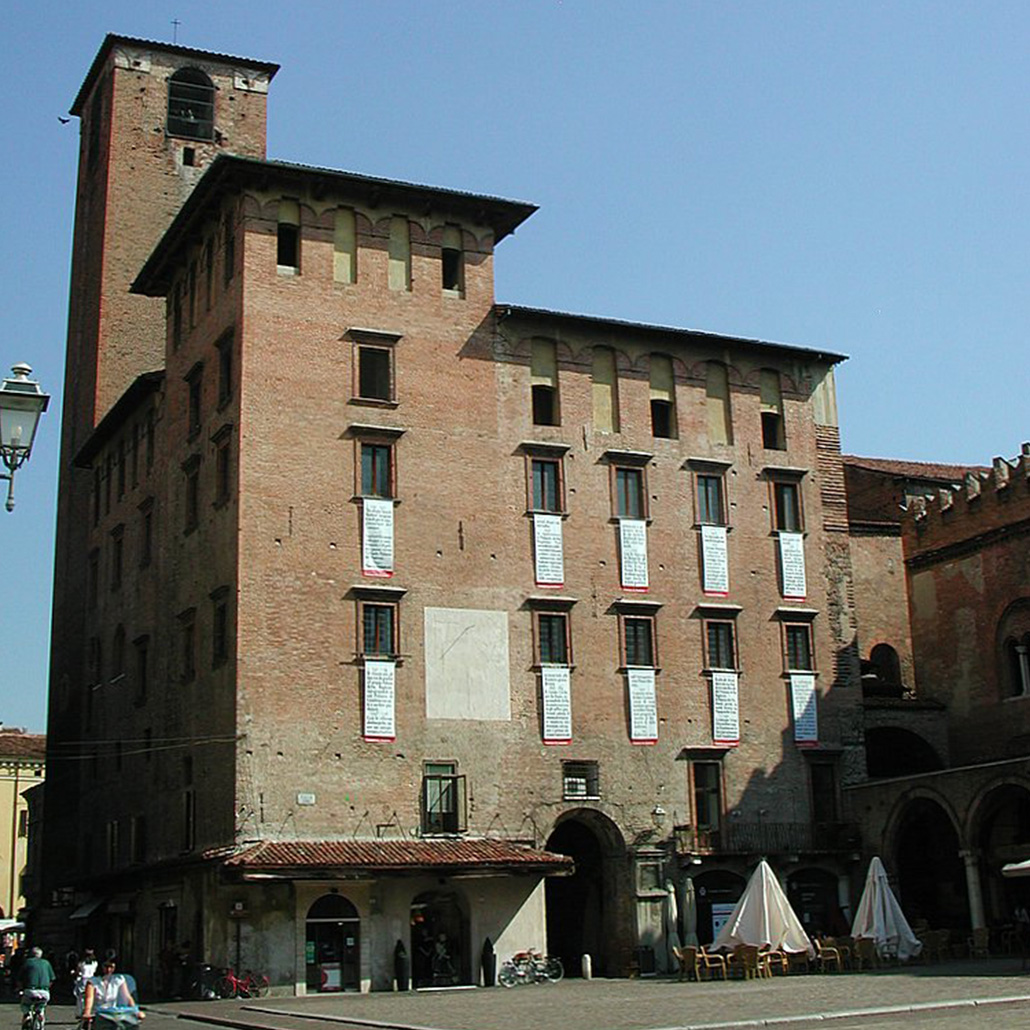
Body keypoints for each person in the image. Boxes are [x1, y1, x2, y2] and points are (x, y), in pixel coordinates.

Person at [82, 957, 143, 1026]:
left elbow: (127, 997)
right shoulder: (92, 982)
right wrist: (87, 1012)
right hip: (97, 1015)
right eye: (106, 966)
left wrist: (136, 1011)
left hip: (113, 1015)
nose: (108, 969)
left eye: (111, 967)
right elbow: (89, 998)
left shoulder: (118, 979)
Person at [18, 946, 56, 1029]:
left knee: (25, 1005)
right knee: (41, 1006)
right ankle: (40, 1015)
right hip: (44, 992)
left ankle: (27, 1014)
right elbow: (52, 979)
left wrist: (20, 988)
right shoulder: (46, 963)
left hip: (30, 990)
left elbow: (20, 978)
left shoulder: (27, 962)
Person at [75, 950, 98, 1016]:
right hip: (91, 979)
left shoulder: (82, 963)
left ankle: (81, 1011)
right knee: (90, 996)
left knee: (81, 997)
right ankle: (88, 1010)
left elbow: (78, 971)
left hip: (83, 979)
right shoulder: (95, 963)